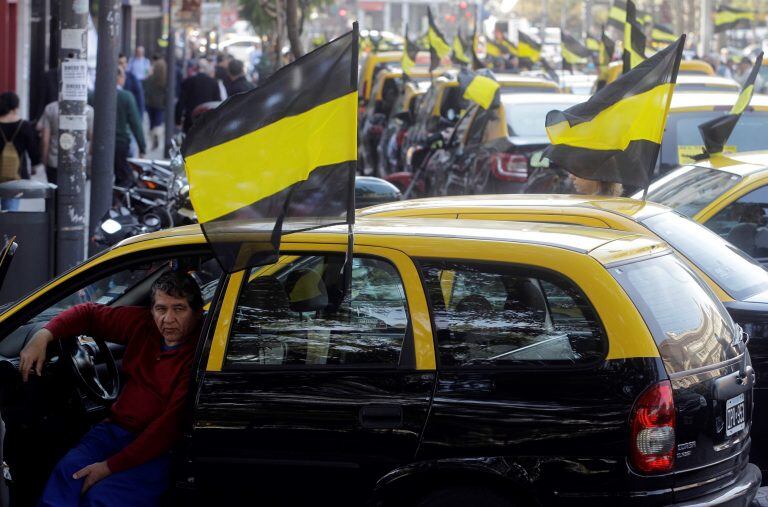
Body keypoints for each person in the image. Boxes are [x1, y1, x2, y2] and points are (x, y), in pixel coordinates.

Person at [20, 271, 204, 507]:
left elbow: (166, 429)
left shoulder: (198, 354)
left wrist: (107, 467)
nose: (167, 319)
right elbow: (89, 314)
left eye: (178, 309)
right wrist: (44, 335)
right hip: (113, 431)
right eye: (161, 309)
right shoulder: (143, 325)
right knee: (67, 475)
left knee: (102, 499)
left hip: (157, 449)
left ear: (197, 312)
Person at [0, 92, 42, 210]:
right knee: (10, 210)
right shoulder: (24, 126)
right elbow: (33, 151)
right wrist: (34, 166)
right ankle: (7, 228)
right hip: (15, 176)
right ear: (15, 107)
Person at [37, 100, 94, 185]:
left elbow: (45, 140)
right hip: (79, 161)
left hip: (54, 161)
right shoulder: (88, 110)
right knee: (77, 195)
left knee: (54, 194)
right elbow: (92, 137)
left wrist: (45, 161)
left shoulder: (51, 108)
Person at [116, 67, 146, 187]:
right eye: (123, 76)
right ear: (118, 78)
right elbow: (136, 124)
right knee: (126, 177)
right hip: (120, 143)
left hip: (99, 144)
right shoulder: (126, 97)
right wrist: (142, 147)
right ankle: (116, 203)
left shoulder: (95, 95)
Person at [174, 59, 222, 133]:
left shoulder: (188, 81)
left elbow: (181, 102)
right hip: (208, 121)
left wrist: (178, 120)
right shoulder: (214, 83)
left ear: (196, 69)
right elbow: (217, 103)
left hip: (190, 120)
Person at [143, 58, 167, 151]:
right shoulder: (165, 79)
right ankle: (157, 135)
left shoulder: (151, 78)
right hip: (160, 104)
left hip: (151, 103)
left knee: (152, 122)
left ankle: (153, 139)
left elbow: (145, 86)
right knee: (158, 121)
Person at [118, 53, 146, 124]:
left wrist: (139, 120)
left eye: (125, 62)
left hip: (129, 119)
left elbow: (140, 100)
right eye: (120, 63)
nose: (124, 65)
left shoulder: (132, 78)